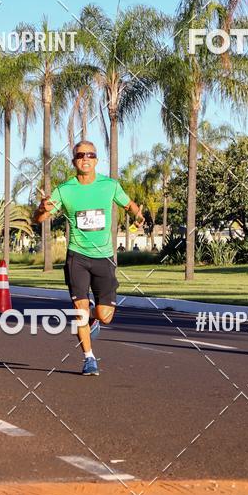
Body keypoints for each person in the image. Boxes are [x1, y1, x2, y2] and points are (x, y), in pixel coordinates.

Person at [34, 141, 145, 376]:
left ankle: (93, 316)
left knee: (105, 316)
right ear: (74, 161)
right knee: (79, 310)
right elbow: (40, 219)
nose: (85, 158)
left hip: (104, 257)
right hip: (78, 256)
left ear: (96, 160)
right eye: (80, 155)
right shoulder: (65, 190)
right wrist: (42, 208)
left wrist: (138, 215)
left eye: (90, 155)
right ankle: (89, 358)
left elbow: (129, 205)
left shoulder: (110, 185)